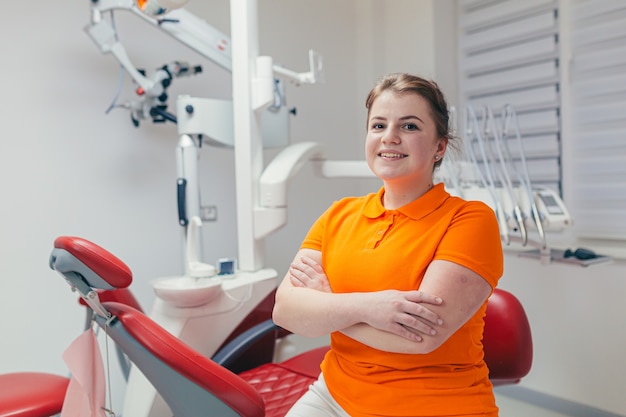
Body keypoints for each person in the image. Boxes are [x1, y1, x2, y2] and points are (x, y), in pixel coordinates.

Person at [272, 73, 504, 417]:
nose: (390, 137)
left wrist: (327, 305)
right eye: (378, 125)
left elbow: (421, 337)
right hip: (333, 395)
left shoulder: (469, 220)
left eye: (409, 127)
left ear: (440, 146)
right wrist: (370, 308)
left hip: (432, 404)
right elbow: (285, 312)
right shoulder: (340, 214)